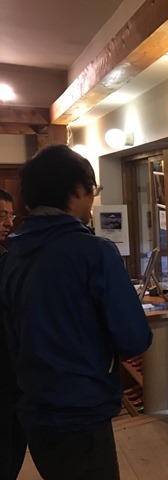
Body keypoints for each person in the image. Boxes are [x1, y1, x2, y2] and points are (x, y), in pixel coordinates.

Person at [0, 145, 153, 480]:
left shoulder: (14, 253)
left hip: (33, 410)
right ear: (77, 189)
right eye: (92, 191)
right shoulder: (95, 252)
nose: (93, 201)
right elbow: (133, 338)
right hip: (80, 412)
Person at [0, 188, 27, 480]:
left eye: (11, 215)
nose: (9, 223)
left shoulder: (9, 257)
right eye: (1, 215)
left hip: (12, 368)